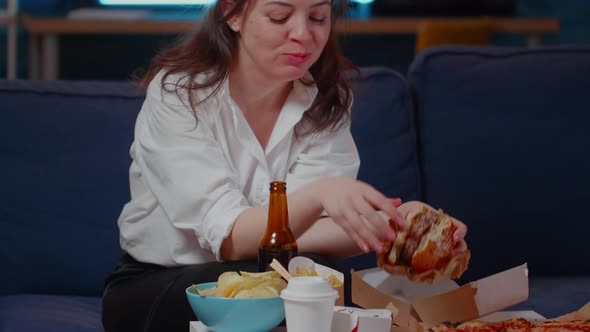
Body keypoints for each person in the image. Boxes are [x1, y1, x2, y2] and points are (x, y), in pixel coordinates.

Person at [101, 0, 468, 330]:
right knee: (306, 288)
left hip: (276, 272)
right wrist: (321, 195)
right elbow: (232, 240)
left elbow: (297, 237)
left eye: (318, 17)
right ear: (233, 13)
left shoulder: (327, 100)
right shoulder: (179, 94)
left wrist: (400, 226)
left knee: (313, 280)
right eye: (279, 16)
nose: (302, 35)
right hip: (164, 281)